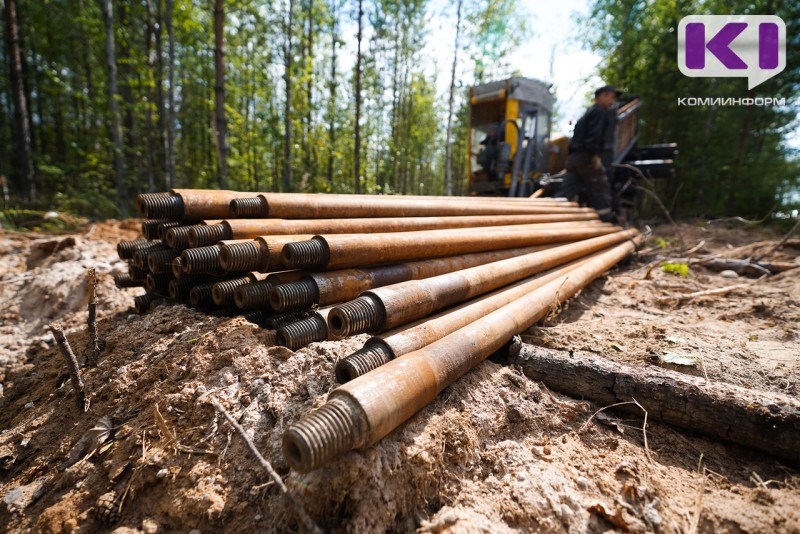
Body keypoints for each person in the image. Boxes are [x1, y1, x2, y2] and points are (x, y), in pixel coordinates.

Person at [557, 84, 621, 222]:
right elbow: (595, 136)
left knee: (567, 190)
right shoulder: (599, 112)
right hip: (586, 157)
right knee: (600, 186)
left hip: (573, 158)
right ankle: (606, 221)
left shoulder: (587, 113)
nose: (613, 102)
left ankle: (551, 215)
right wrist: (594, 156)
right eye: (612, 97)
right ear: (603, 95)